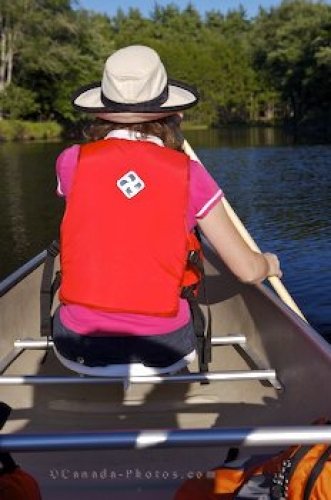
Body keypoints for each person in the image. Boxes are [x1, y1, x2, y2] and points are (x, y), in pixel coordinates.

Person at [53, 45, 282, 376]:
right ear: (173, 113)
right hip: (165, 347)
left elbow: (105, 206)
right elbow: (247, 271)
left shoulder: (71, 161)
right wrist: (268, 264)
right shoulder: (190, 174)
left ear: (103, 110)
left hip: (77, 345)